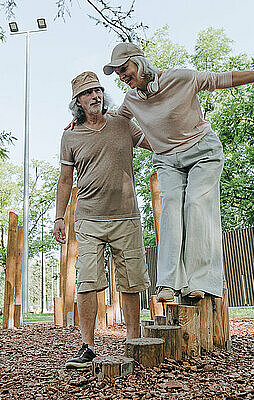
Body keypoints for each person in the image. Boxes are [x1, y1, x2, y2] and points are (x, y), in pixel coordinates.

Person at [101, 43, 254, 302]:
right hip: (167, 160)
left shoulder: (180, 78)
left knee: (196, 203)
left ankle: (201, 281)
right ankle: (168, 283)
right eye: (117, 73)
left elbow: (224, 79)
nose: (121, 76)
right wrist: (82, 119)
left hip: (202, 152)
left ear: (139, 63)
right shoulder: (132, 100)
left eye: (124, 69)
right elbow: (116, 119)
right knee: (172, 207)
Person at [54, 71, 152, 369]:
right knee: (87, 282)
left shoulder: (123, 124)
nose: (95, 96)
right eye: (88, 93)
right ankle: (87, 346)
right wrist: (59, 216)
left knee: (132, 281)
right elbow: (65, 180)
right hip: (89, 219)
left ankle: (133, 340)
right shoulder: (70, 135)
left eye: (98, 90)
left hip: (126, 216)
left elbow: (153, 141)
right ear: (78, 102)